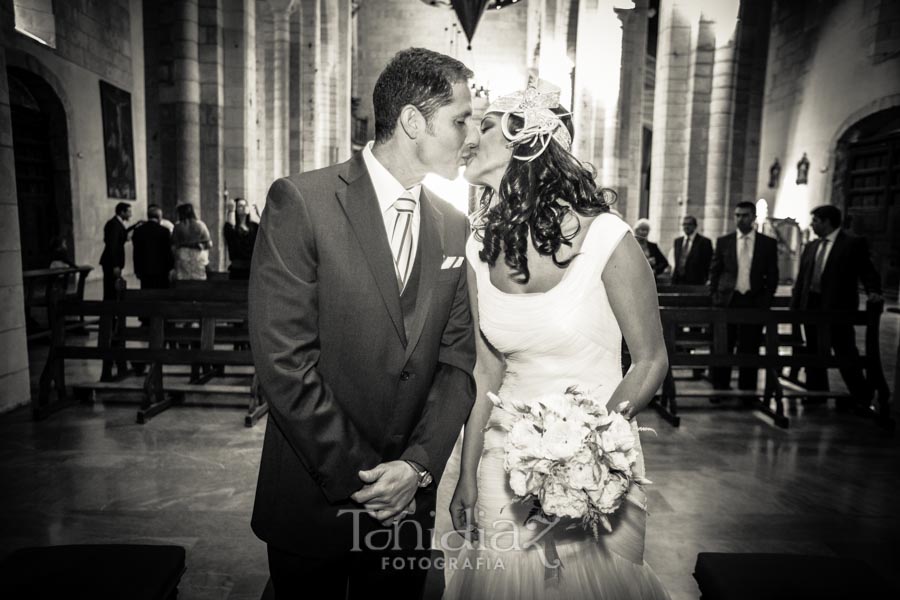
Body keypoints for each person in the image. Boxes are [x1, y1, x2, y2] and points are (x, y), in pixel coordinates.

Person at [248, 47, 478, 600]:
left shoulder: (452, 224)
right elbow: (284, 364)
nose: (472, 135)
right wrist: (369, 480)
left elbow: (456, 362)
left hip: (406, 508)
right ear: (413, 121)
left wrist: (417, 469)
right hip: (314, 494)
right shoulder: (302, 200)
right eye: (462, 119)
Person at [437, 85, 670, 598]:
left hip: (599, 463)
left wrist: (587, 455)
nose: (470, 137)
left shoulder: (608, 237)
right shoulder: (479, 247)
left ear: (529, 139)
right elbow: (485, 369)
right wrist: (469, 472)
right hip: (504, 457)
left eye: (486, 124)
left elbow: (650, 360)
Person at [791, 205, 882, 408]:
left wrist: (873, 291)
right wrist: (795, 306)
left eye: (815, 221)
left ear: (827, 222)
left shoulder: (851, 244)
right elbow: (802, 279)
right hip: (811, 305)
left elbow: (867, 270)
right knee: (813, 350)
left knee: (844, 350)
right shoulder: (812, 246)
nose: (812, 225)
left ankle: (860, 396)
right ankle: (816, 393)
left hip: (838, 307)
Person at [709, 201, 779, 391]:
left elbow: (773, 274)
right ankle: (720, 388)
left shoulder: (767, 243)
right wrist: (715, 296)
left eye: (745, 215)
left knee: (750, 347)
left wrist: (766, 299)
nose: (741, 219)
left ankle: (747, 390)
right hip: (728, 300)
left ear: (754, 217)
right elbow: (715, 272)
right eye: (737, 215)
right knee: (724, 346)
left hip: (753, 300)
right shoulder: (725, 241)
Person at [99, 202, 138, 299]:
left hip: (112, 262)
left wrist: (135, 225)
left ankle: (111, 310)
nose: (130, 214)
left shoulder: (116, 223)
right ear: (122, 212)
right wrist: (115, 265)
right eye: (128, 212)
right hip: (111, 262)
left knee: (113, 288)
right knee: (110, 290)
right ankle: (109, 311)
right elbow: (113, 245)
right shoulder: (114, 224)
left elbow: (122, 234)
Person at [132, 205, 174, 290]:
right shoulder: (164, 231)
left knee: (147, 294)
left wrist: (137, 269)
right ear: (159, 217)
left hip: (144, 269)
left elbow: (136, 252)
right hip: (162, 269)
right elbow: (168, 252)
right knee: (161, 294)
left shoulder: (138, 231)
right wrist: (171, 267)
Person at [171, 203, 212, 281]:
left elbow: (173, 244)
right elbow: (209, 243)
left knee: (183, 280)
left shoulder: (178, 226)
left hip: (183, 254)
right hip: (197, 255)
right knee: (198, 279)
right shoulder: (200, 225)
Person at [670, 214, 713, 285]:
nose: (686, 227)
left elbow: (708, 263)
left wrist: (708, 279)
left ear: (695, 226)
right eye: (684, 224)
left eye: (689, 224)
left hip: (696, 281)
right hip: (678, 281)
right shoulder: (678, 241)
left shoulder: (704, 242)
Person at [223, 197, 259, 280]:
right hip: (237, 270)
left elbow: (265, 235)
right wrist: (231, 211)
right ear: (236, 209)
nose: (243, 207)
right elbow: (230, 231)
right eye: (240, 206)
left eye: (245, 205)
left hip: (252, 269)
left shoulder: (254, 226)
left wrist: (260, 214)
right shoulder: (232, 226)